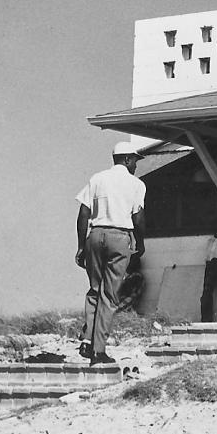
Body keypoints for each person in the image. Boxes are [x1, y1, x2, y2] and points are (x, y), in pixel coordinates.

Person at [75, 140, 146, 364]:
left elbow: (83, 214)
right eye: (134, 160)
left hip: (95, 236)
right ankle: (98, 350)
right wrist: (140, 242)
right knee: (109, 295)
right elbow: (138, 217)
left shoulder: (97, 179)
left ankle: (87, 340)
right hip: (119, 237)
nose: (135, 164)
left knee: (94, 290)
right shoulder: (136, 184)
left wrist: (81, 246)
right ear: (127, 159)